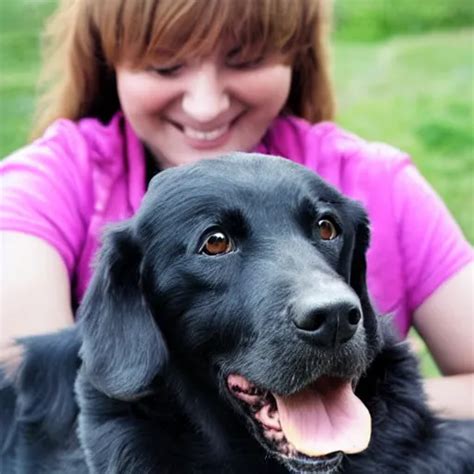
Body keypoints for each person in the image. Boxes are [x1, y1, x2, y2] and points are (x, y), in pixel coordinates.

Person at [0, 0, 472, 419]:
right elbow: (35, 397)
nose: (205, 106)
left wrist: (353, 408)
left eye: (244, 59)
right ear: (110, 61)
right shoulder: (50, 184)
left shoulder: (377, 183)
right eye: (165, 65)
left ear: (295, 53)